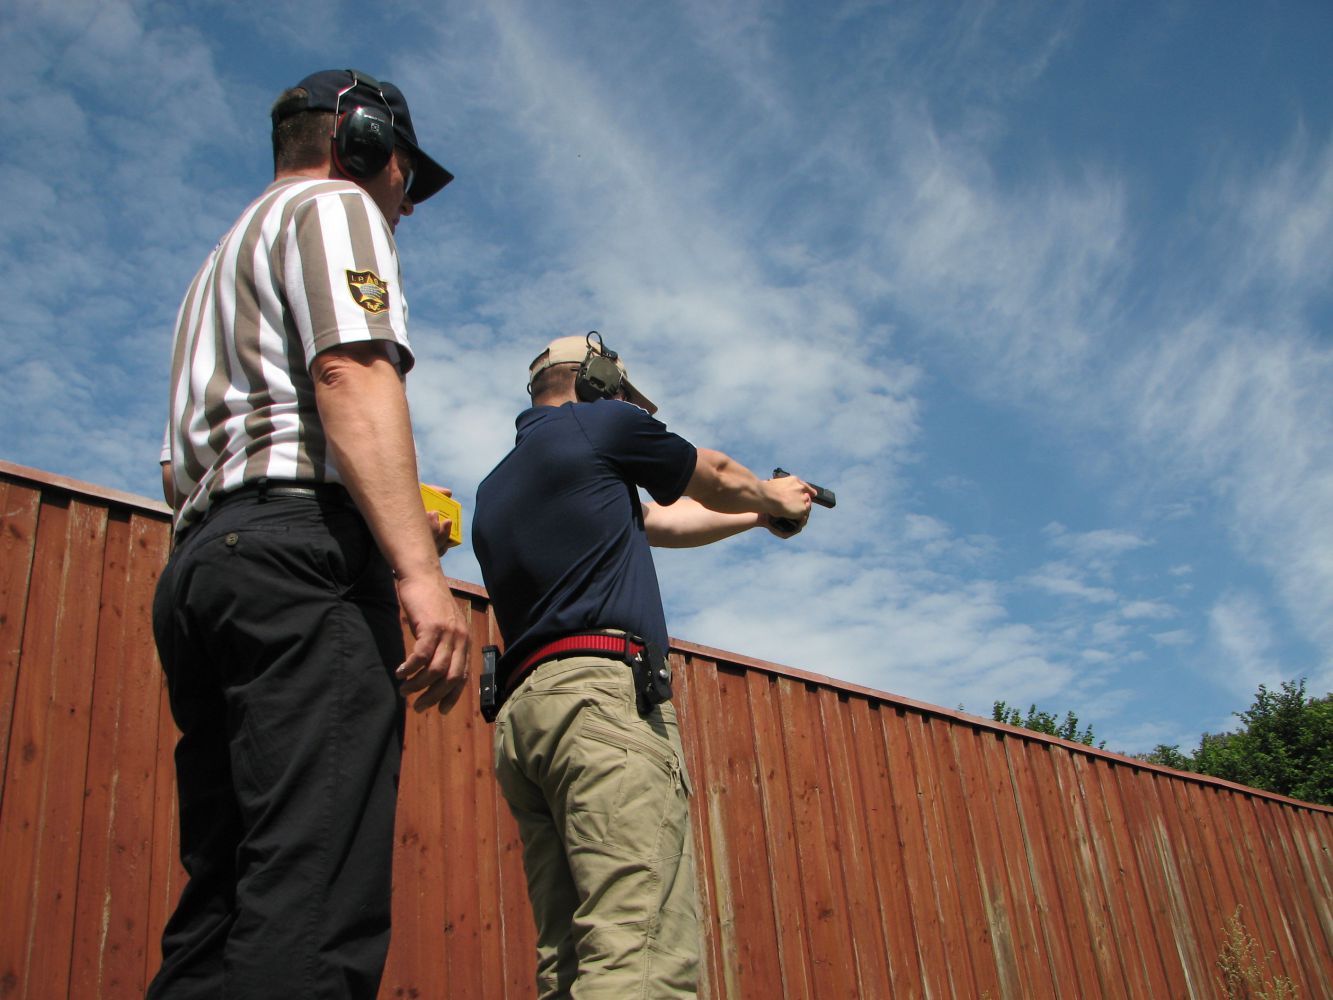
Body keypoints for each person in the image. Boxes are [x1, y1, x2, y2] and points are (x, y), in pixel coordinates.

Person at [151, 69, 468, 999]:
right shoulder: (337, 207)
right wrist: (418, 570)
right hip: (302, 565)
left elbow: (174, 472)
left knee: (223, 894)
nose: (407, 200)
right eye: (406, 171)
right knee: (313, 886)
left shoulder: (214, 269)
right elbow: (351, 373)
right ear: (359, 140)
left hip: (206, 564)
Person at [471, 332, 816, 998]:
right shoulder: (600, 423)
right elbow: (715, 473)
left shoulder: (501, 485)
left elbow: (660, 522)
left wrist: (757, 517)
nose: (633, 410)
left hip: (526, 718)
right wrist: (774, 496)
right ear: (597, 381)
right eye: (625, 395)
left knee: (571, 958)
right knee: (640, 950)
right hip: (600, 702)